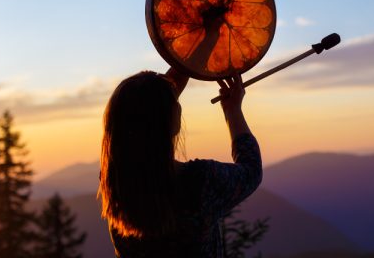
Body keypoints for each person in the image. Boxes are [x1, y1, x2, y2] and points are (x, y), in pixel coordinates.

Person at [98, 67, 262, 257]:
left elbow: (144, 110)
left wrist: (188, 57)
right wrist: (232, 111)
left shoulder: (115, 185)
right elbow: (251, 170)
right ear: (174, 123)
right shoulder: (199, 183)